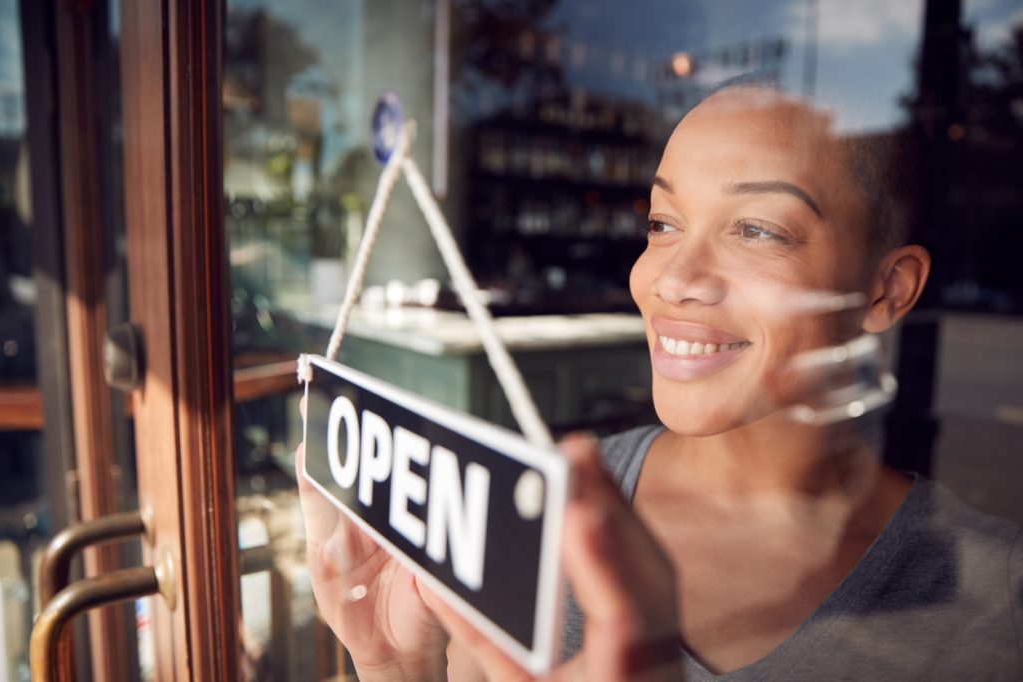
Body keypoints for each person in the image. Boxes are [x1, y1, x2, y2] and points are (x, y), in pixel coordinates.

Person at [297, 85, 1023, 680]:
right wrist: (396, 667)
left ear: (887, 289)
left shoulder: (997, 603)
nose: (669, 279)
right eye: (663, 221)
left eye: (757, 231)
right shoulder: (536, 510)